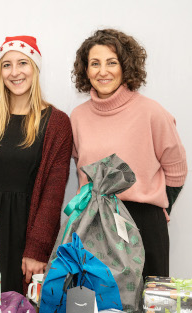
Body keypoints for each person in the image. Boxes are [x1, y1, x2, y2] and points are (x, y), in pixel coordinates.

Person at [71, 29, 187, 277]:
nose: (103, 71)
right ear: (85, 70)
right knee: (96, 300)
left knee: (147, 299)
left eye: (112, 62)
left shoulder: (152, 113)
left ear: (126, 66)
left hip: (143, 222)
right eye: (95, 63)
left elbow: (176, 170)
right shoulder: (77, 117)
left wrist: (158, 206)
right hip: (93, 222)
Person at [0, 36, 73, 293]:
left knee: (22, 303)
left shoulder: (57, 123)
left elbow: (53, 193)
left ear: (35, 68)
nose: (15, 72)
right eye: (7, 65)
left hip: (29, 231)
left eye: (22, 63)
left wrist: (37, 248)